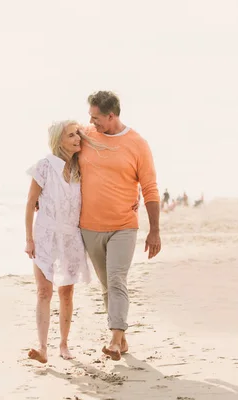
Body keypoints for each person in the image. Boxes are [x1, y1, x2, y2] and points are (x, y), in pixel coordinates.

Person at [79, 91, 162, 361]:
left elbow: (149, 188)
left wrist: (155, 230)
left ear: (111, 116)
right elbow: (59, 154)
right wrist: (39, 196)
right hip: (89, 227)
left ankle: (114, 339)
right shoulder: (84, 134)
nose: (91, 122)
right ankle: (122, 340)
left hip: (123, 226)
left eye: (96, 117)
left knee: (116, 280)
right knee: (106, 285)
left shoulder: (137, 144)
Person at [24, 120, 109, 363]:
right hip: (45, 234)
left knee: (67, 292)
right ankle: (42, 348)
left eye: (78, 134)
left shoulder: (82, 167)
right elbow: (31, 202)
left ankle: (63, 344)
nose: (77, 139)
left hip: (71, 236)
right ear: (58, 140)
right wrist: (29, 238)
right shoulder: (44, 166)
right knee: (43, 291)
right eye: (71, 135)